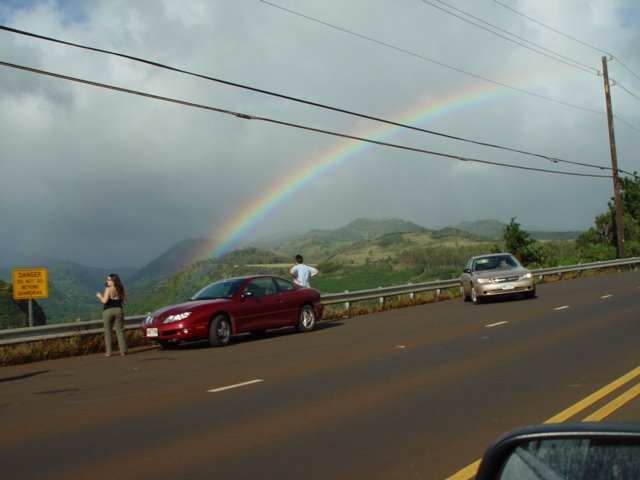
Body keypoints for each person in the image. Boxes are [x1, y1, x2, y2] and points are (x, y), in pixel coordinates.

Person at [96, 273, 128, 356]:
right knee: (119, 331)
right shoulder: (121, 288)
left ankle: (109, 352)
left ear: (113, 281)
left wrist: (99, 296)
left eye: (108, 280)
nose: (107, 281)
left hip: (108, 311)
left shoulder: (108, 289)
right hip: (118, 310)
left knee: (108, 331)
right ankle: (123, 351)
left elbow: (104, 301)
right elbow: (125, 302)